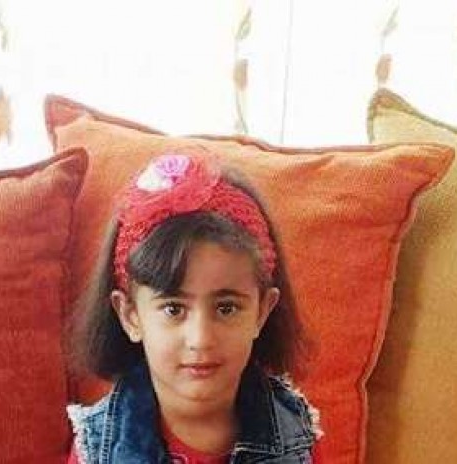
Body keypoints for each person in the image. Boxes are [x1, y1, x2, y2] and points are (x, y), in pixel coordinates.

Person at [67, 149, 322, 463]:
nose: (200, 339)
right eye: (173, 309)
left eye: (226, 308)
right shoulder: (97, 450)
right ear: (130, 316)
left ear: (262, 311)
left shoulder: (296, 434)